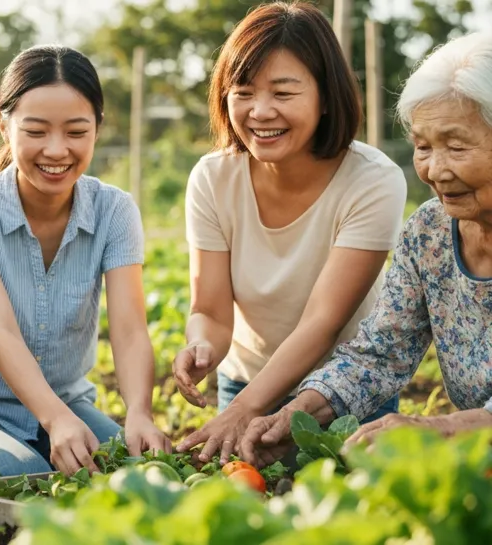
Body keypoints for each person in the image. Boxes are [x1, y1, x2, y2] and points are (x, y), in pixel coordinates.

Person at [240, 30, 492, 466]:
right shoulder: (428, 234)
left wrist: (443, 427)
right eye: (422, 146)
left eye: (455, 146)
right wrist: (298, 413)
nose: (435, 170)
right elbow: (379, 353)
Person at [173, 1, 407, 465]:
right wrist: (201, 343)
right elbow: (211, 309)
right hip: (247, 381)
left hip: (342, 397)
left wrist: (245, 410)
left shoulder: (372, 180)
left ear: (325, 97)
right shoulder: (213, 178)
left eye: (283, 93)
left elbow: (324, 323)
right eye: (243, 91)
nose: (260, 111)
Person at [0, 45, 169, 478]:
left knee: (142, 474)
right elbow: (0, 333)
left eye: (76, 132)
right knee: (26, 477)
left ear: (98, 127)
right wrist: (53, 420)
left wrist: (139, 413)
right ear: (4, 124)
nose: (57, 151)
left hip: (69, 408)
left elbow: (129, 330)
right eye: (36, 131)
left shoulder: (114, 211)